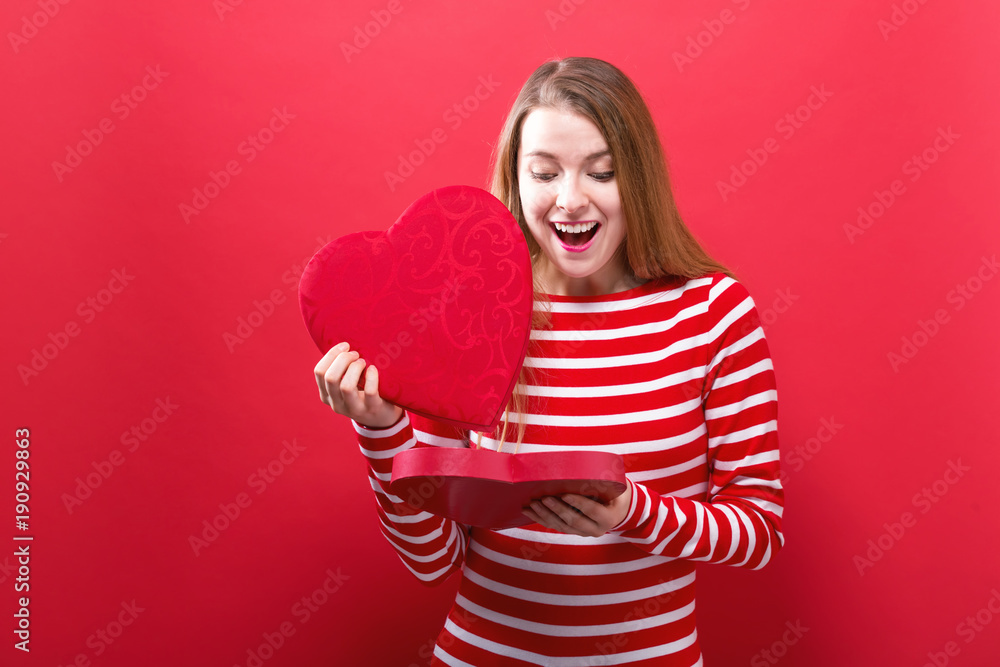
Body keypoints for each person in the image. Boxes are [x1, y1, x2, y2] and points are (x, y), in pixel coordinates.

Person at [314, 57, 783, 666]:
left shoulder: (713, 313)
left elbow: (759, 532)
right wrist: (379, 431)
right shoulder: (466, 313)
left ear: (638, 179)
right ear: (516, 176)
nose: (570, 200)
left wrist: (631, 513)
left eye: (602, 172)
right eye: (544, 173)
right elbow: (432, 559)